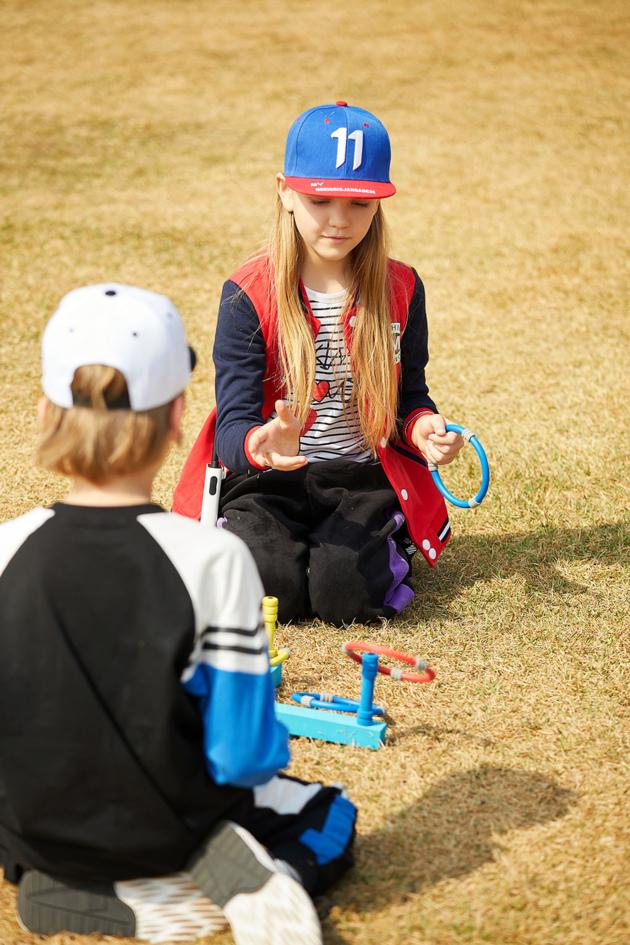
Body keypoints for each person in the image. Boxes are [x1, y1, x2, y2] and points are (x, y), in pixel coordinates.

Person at [0, 283, 356, 945]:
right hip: (174, 826)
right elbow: (242, 756)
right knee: (328, 812)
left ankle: (66, 886)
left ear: (47, 412)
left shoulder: (4, 549)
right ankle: (248, 877)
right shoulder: (214, 557)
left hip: (33, 828)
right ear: (176, 419)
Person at [173, 102, 464, 625]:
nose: (339, 218)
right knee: (272, 590)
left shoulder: (401, 288)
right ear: (284, 190)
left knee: (344, 597)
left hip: (359, 477)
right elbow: (232, 423)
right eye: (319, 198)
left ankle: (385, 537)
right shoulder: (248, 293)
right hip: (266, 484)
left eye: (360, 203)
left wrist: (424, 431)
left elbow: (410, 398)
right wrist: (259, 445)